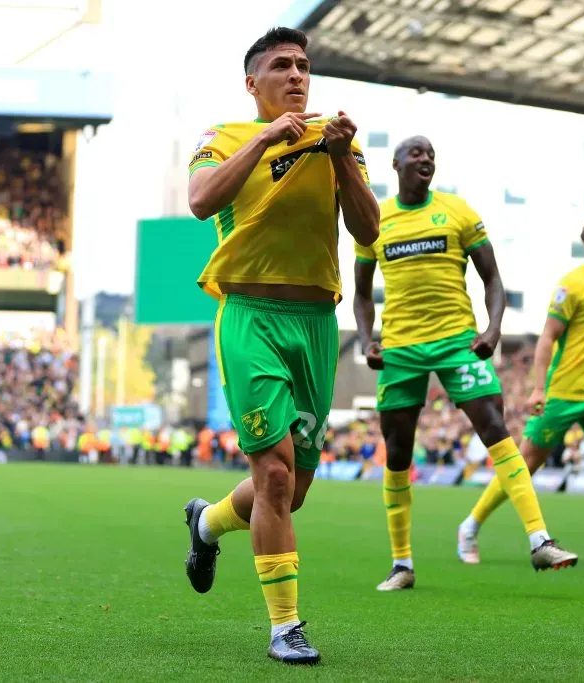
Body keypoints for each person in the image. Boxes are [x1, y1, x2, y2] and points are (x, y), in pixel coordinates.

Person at [181, 27, 379, 665]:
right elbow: (201, 201)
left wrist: (343, 155)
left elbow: (369, 229)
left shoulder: (335, 140)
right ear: (252, 83)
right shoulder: (224, 138)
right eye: (280, 66)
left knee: (290, 492)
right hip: (251, 317)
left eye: (303, 65)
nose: (296, 75)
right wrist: (267, 138)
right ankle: (285, 627)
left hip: (317, 325)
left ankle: (208, 522)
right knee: (271, 475)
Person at [353, 135, 578, 592]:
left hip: (457, 340)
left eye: (431, 154)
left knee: (494, 425)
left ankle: (540, 540)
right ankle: (402, 564)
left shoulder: (458, 211)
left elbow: (492, 278)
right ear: (395, 164)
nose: (425, 159)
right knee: (397, 450)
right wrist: (365, 340)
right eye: (416, 153)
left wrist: (493, 328)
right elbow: (360, 293)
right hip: (400, 348)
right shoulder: (376, 220)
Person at [458, 215, 584, 569]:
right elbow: (548, 335)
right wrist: (538, 388)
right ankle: (470, 526)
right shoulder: (573, 284)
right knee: (526, 463)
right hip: (563, 392)